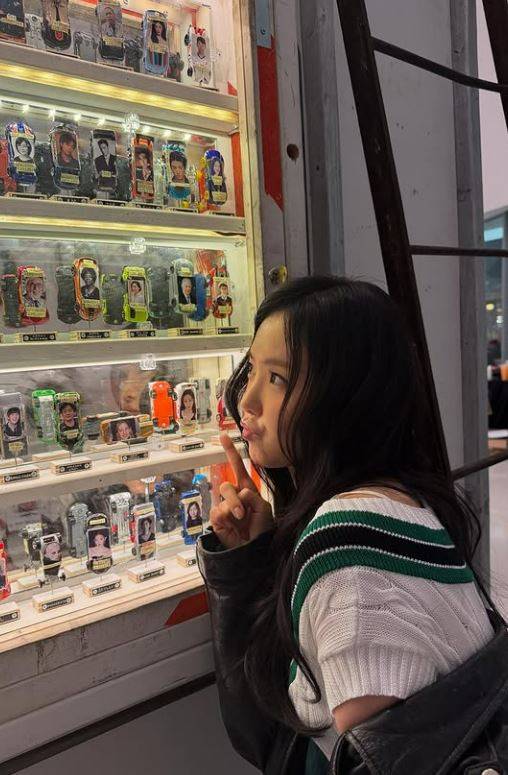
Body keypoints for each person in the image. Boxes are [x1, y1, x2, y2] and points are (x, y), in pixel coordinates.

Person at [197, 276, 502, 774]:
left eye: (278, 379)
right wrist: (254, 552)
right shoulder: (401, 500)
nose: (247, 400)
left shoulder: (347, 545)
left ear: (344, 398)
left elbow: (371, 758)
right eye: (251, 370)